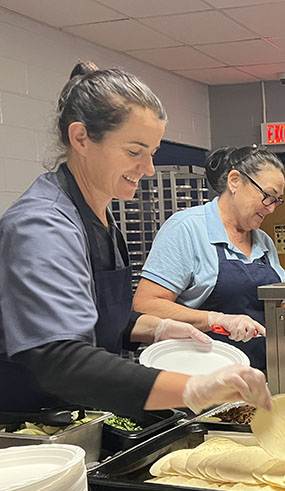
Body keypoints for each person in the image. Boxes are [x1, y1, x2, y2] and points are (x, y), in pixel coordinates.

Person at [0, 62, 270, 418]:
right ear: (81, 138)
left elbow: (96, 317)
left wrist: (157, 328)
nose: (148, 169)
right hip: (30, 426)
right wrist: (191, 388)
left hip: (84, 408)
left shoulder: (102, 216)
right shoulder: (43, 225)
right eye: (134, 151)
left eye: (152, 152)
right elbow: (58, 357)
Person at [133, 145, 285, 369]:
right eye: (268, 196)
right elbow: (146, 305)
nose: (272, 209)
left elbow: (274, 314)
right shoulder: (186, 229)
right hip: (200, 378)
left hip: (260, 375)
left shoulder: (264, 243)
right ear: (235, 181)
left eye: (277, 201)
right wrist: (216, 320)